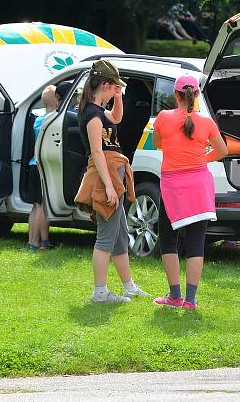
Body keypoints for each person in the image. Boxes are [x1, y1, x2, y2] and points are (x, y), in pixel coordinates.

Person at [75, 60, 149, 304]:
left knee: (119, 235)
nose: (114, 92)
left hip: (113, 171)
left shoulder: (98, 110)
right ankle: (100, 293)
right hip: (105, 174)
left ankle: (128, 286)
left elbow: (116, 118)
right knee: (106, 237)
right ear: (104, 84)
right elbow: (97, 153)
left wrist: (119, 97)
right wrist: (109, 186)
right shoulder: (91, 114)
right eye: (113, 88)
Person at [152, 74, 227, 311]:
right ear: (196, 95)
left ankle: (175, 295)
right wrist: (200, 159)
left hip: (173, 188)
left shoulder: (163, 118)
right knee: (196, 244)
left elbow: (158, 143)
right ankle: (191, 300)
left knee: (168, 240)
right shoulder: (207, 122)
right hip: (199, 186)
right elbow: (222, 150)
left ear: (176, 95)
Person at [25, 85, 58, 251]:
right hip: (42, 167)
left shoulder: (38, 119)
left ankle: (33, 240)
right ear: (58, 100)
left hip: (32, 164)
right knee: (44, 206)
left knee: (36, 206)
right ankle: (40, 241)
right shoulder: (53, 120)